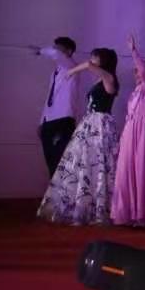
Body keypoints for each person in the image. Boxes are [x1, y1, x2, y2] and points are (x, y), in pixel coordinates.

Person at [37, 48, 120, 225]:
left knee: (99, 162)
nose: (92, 59)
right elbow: (90, 66)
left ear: (103, 60)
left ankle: (101, 209)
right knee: (82, 162)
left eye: (95, 57)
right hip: (90, 123)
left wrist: (72, 71)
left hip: (100, 124)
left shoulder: (108, 77)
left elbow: (88, 65)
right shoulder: (101, 79)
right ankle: (81, 205)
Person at [111, 34, 145, 227]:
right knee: (125, 171)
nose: (137, 74)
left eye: (139, 72)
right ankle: (128, 213)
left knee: (142, 171)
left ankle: (143, 216)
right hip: (130, 132)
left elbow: (144, 71)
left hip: (143, 133)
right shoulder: (135, 92)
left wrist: (134, 51)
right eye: (135, 72)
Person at [30, 37, 80, 177]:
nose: (55, 50)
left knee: (61, 161)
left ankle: (61, 188)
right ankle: (55, 188)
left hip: (63, 118)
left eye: (59, 48)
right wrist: (42, 121)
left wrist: (40, 51)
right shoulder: (56, 72)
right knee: (51, 161)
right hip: (50, 120)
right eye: (54, 47)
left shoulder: (71, 66)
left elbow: (55, 54)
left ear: (69, 52)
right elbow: (50, 97)